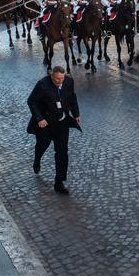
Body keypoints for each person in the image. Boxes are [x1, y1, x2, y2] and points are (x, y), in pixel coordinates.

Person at [27, 66, 81, 194]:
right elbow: (31, 101)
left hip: (62, 123)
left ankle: (59, 182)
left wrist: (76, 113)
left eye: (61, 78)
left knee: (62, 151)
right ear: (51, 76)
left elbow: (72, 97)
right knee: (42, 145)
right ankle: (37, 160)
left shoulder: (69, 81)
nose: (59, 81)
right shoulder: (42, 85)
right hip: (45, 124)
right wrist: (39, 118)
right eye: (57, 79)